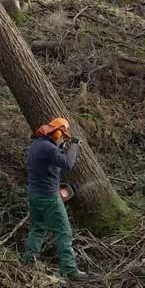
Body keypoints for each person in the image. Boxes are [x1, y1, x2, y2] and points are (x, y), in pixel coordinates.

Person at [20, 117, 85, 279]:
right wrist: (75, 145)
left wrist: (61, 147)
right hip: (49, 196)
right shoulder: (49, 149)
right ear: (57, 133)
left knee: (37, 229)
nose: (62, 140)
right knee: (64, 232)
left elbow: (50, 165)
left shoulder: (36, 144)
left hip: (34, 195)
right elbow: (68, 163)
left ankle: (26, 262)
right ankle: (70, 271)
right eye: (62, 137)